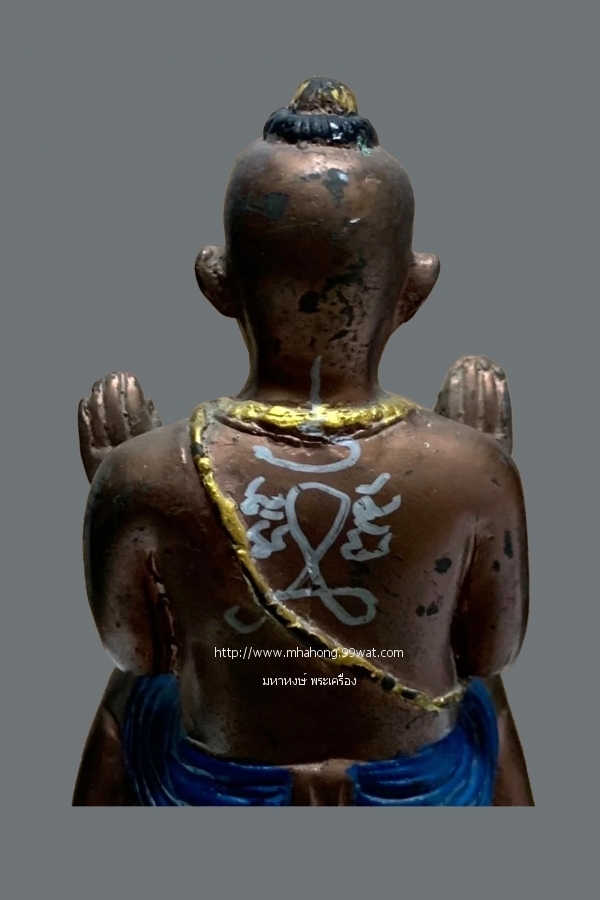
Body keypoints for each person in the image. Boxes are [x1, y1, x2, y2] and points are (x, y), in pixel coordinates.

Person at [73, 78, 533, 805]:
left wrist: (115, 488)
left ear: (218, 281)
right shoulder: (472, 469)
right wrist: (487, 461)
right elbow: (488, 652)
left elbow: (141, 653)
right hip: (417, 779)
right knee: (488, 702)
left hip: (217, 776)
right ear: (414, 288)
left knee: (126, 698)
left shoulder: (146, 470)